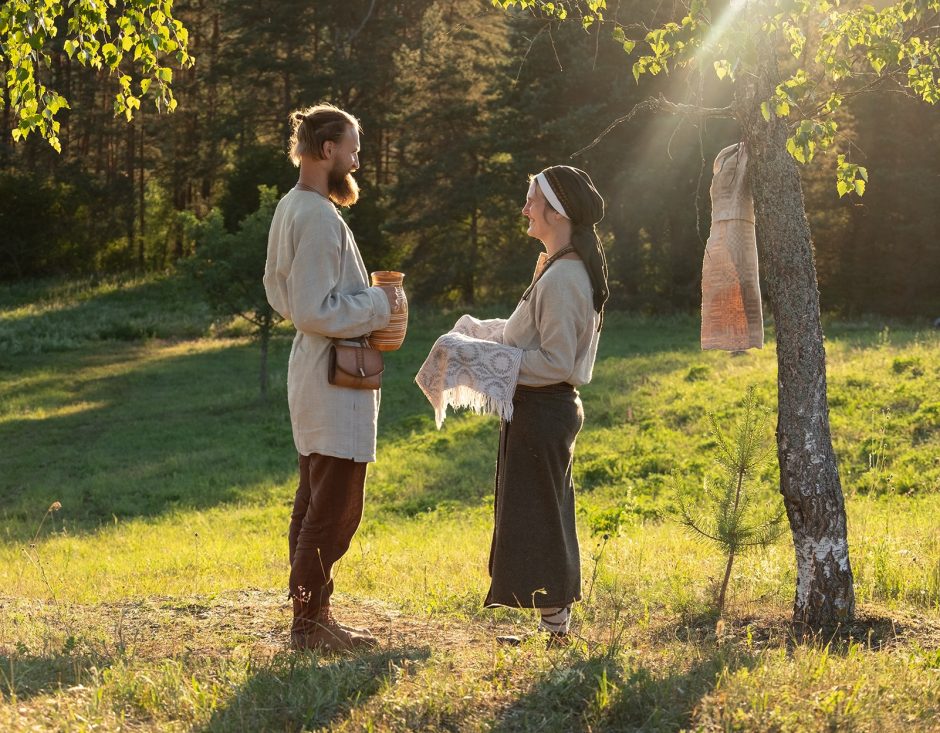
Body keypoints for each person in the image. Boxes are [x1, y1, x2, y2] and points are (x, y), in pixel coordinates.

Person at [263, 103, 399, 652]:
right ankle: (309, 626)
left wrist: (357, 308)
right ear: (326, 151)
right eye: (353, 148)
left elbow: (281, 295)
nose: (358, 160)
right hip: (330, 374)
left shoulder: (292, 207)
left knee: (318, 500)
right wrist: (379, 304)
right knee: (336, 507)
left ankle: (315, 618)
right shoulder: (316, 215)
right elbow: (314, 309)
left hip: (315, 371)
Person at [484, 165, 608, 644]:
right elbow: (533, 335)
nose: (525, 209)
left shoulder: (565, 278)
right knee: (539, 513)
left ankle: (557, 631)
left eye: (531, 200)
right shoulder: (558, 268)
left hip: (544, 409)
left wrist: (492, 360)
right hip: (537, 410)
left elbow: (556, 360)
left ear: (556, 213)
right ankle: (554, 628)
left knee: (541, 517)